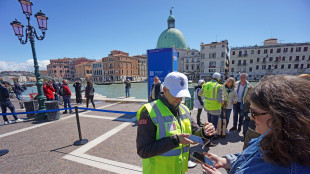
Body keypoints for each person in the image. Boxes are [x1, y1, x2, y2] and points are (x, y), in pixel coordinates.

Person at [199, 75, 310, 174]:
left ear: (280, 116)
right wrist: (228, 161)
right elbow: (249, 156)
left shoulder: (291, 167)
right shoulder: (272, 136)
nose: (251, 117)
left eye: (254, 112)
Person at [136, 72, 216, 174]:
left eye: (182, 95)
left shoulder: (184, 109)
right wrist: (176, 140)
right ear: (164, 90)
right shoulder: (149, 112)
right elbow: (143, 150)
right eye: (176, 94)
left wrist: (205, 132)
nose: (180, 99)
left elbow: (195, 131)